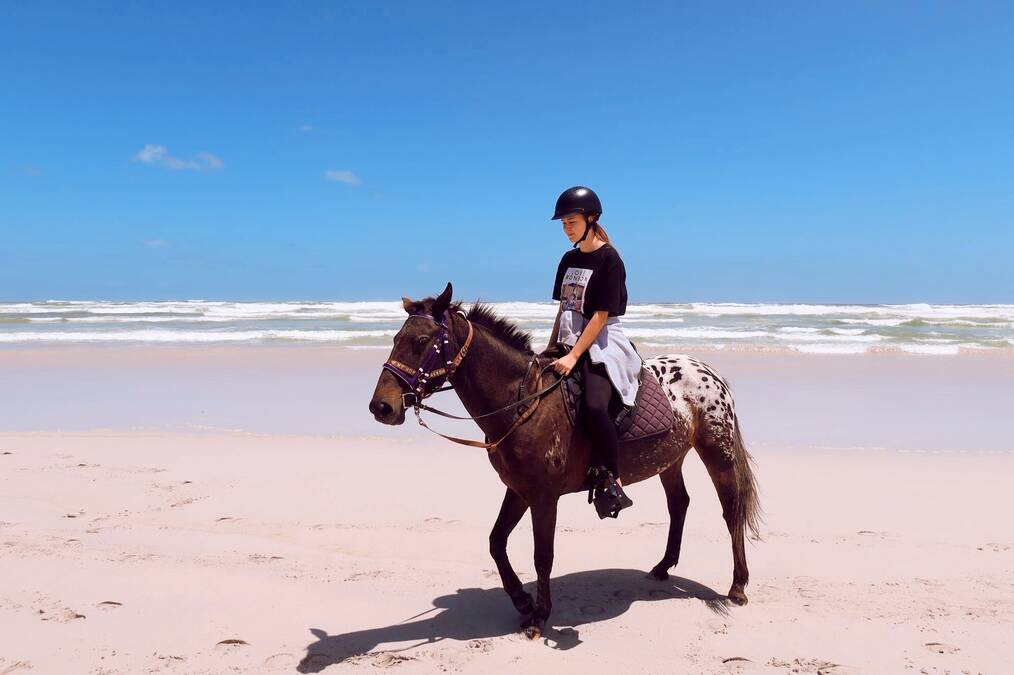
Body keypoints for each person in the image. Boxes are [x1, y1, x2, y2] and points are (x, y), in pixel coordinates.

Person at [545, 186, 643, 518]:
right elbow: (564, 309)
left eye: (571, 221)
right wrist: (550, 348)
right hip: (569, 337)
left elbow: (601, 315)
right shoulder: (569, 259)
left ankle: (611, 479)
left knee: (594, 405)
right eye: (563, 223)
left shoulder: (609, 259)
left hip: (601, 343)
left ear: (591, 219)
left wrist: (574, 356)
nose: (566, 228)